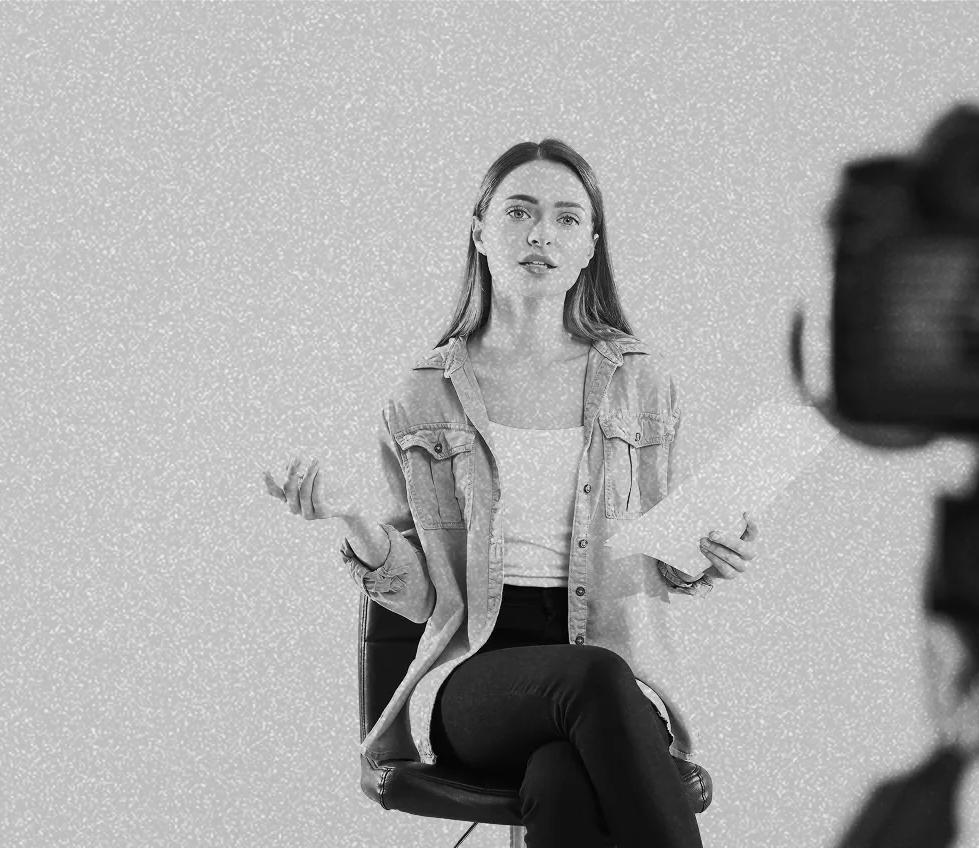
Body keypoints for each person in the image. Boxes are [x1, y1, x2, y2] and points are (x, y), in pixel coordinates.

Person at [263, 138, 758, 848]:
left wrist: (710, 552)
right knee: (592, 679)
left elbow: (665, 554)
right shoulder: (422, 395)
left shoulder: (641, 381)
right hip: (477, 681)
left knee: (561, 779)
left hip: (615, 679)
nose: (541, 235)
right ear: (481, 232)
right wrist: (350, 515)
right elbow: (420, 595)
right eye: (520, 212)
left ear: (590, 244)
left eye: (565, 218)